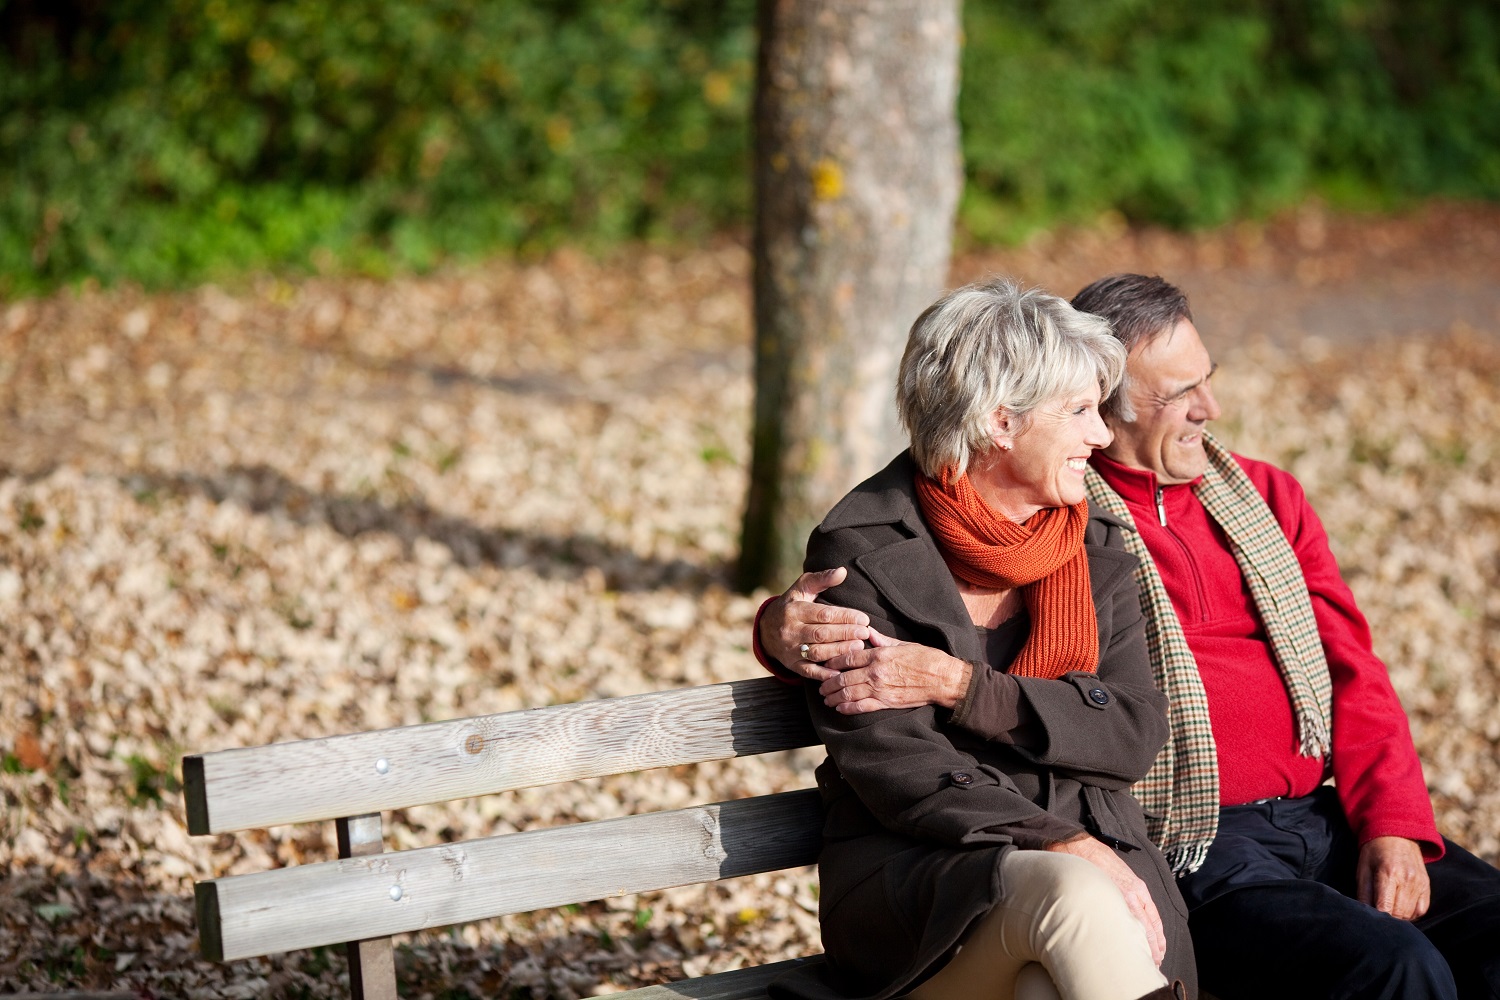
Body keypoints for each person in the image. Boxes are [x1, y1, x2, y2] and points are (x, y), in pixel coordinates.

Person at [756, 274, 1500, 1000]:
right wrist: (776, 631)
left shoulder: (1161, 518)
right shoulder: (1074, 518)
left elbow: (1320, 679)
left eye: (1206, 379)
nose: (1208, 409)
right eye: (1174, 395)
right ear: (1008, 420)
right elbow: (895, 747)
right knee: (1392, 966)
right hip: (1145, 846)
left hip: (1293, 819)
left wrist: (1395, 824)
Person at [766, 278, 1195, 1000]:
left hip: (1086, 874)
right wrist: (1058, 841)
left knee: (1046, 986)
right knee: (1072, 895)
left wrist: (965, 688)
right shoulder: (863, 548)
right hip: (922, 885)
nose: (1101, 434)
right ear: (1001, 423)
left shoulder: (1093, 544)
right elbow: (895, 764)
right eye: (1082, 411)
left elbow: (1131, 733)